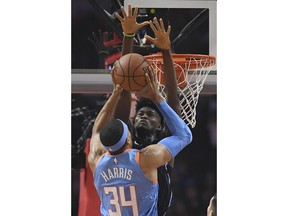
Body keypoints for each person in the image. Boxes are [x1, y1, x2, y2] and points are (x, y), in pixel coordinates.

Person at [88, 69, 192, 215]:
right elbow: (184, 135)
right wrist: (156, 97)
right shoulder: (144, 158)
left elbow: (97, 130)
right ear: (128, 139)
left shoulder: (96, 160)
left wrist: (115, 95)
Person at [115, 5, 181, 215]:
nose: (143, 115)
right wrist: (128, 36)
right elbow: (123, 88)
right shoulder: (126, 144)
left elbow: (172, 95)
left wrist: (165, 51)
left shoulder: (165, 149)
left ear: (162, 125)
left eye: (151, 115)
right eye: (141, 113)